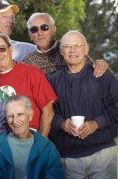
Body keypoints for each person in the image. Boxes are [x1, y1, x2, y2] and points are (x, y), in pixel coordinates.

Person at [48, 30, 118, 179]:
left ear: (86, 49)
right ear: (61, 51)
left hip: (102, 154)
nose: (72, 50)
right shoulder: (52, 81)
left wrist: (96, 124)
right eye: (67, 46)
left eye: (77, 45)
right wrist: (61, 123)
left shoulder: (103, 75)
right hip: (68, 158)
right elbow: (45, 112)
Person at [0, 33, 57, 137]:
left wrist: (40, 144)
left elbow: (48, 112)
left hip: (33, 137)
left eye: (2, 49)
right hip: (6, 143)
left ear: (10, 49)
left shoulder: (31, 72)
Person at [0, 95, 65, 178]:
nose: (15, 121)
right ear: (6, 119)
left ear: (30, 115)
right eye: (10, 116)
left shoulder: (48, 148)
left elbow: (56, 175)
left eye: (20, 114)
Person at [21, 12, 109, 76]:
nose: (39, 33)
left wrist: (101, 65)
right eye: (34, 29)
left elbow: (96, 70)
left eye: (44, 27)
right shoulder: (25, 64)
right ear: (30, 35)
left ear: (54, 30)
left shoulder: (70, 51)